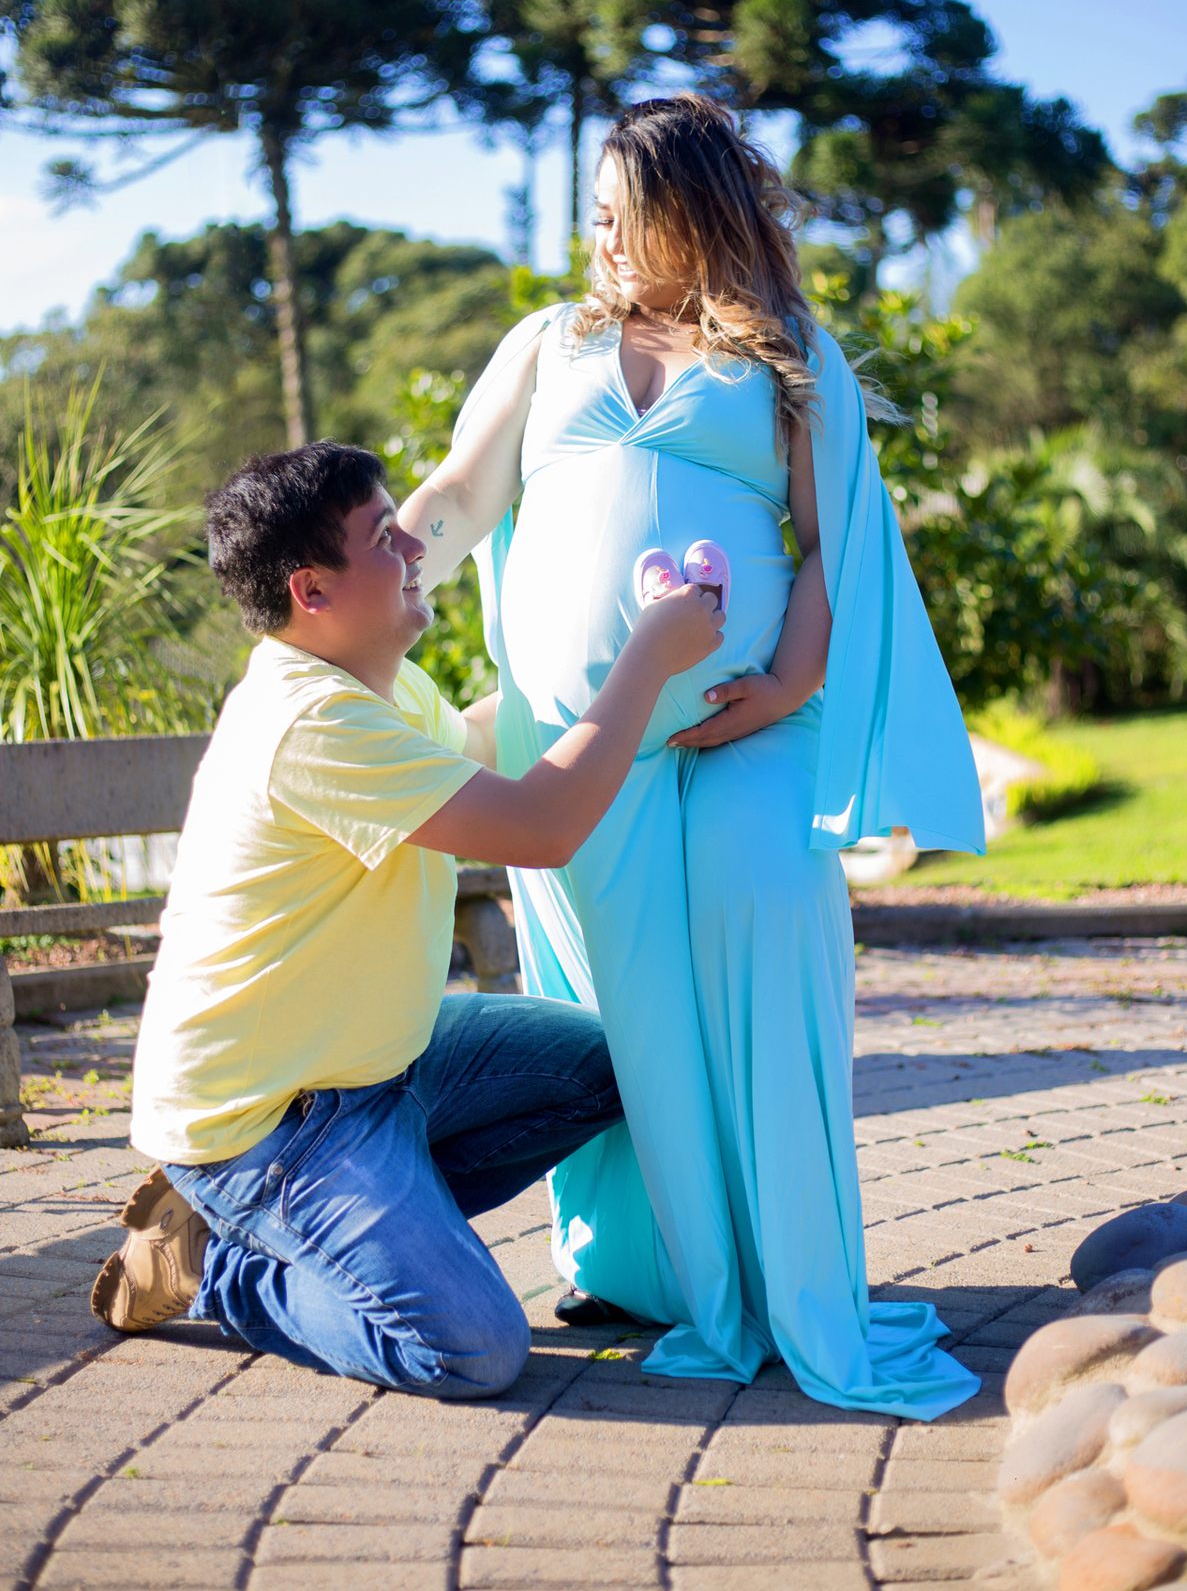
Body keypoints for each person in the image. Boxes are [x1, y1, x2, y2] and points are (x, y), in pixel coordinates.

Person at [397, 94, 987, 1420]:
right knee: (635, 1016)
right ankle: (677, 1283)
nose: (602, 241)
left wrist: (786, 681)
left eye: (627, 217)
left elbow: (838, 543)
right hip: (582, 757)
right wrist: (377, 566)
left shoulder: (787, 357)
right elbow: (458, 494)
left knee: (764, 940)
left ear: (696, 213)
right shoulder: (549, 346)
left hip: (755, 725)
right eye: (593, 218)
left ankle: (801, 1284)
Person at [94, 441, 723, 1398]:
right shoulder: (311, 721)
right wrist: (650, 657)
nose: (415, 549)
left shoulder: (381, 689)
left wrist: (610, 649)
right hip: (272, 1123)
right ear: (312, 590)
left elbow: (492, 745)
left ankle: (349, 1225)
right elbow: (539, 825)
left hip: (380, 1064)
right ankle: (235, 1266)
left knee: (613, 1062)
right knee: (472, 1350)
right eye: (385, 538)